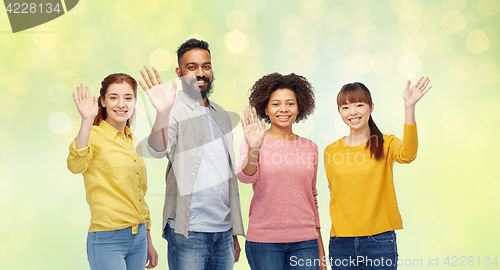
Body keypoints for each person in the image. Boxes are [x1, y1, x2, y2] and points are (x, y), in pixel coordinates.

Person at [139, 38, 244, 270]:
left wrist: (234, 232)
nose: (200, 73)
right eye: (192, 67)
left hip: (224, 233)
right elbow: (157, 150)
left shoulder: (222, 115)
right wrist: (162, 112)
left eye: (206, 66)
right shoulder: (173, 110)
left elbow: (228, 177)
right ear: (179, 72)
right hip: (189, 231)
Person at [324, 77, 432, 269]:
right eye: (345, 107)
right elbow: (336, 194)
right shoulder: (331, 151)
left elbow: (408, 154)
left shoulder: (385, 143)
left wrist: (409, 107)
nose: (353, 112)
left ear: (371, 107)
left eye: (359, 105)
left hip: (379, 240)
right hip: (341, 243)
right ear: (339, 111)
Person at [67, 73, 158, 270]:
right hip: (107, 239)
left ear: (134, 101)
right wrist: (86, 121)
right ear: (103, 101)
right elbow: (76, 165)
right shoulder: (94, 134)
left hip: (139, 237)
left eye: (128, 97)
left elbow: (139, 195)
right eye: (113, 97)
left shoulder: (132, 140)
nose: (121, 104)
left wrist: (148, 239)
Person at [236, 73, 327, 270]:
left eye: (290, 103)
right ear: (265, 109)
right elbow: (244, 177)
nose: (283, 109)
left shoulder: (310, 147)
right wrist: (254, 148)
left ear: (299, 107)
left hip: (305, 242)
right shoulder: (254, 139)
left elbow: (312, 196)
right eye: (276, 104)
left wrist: (320, 246)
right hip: (264, 241)